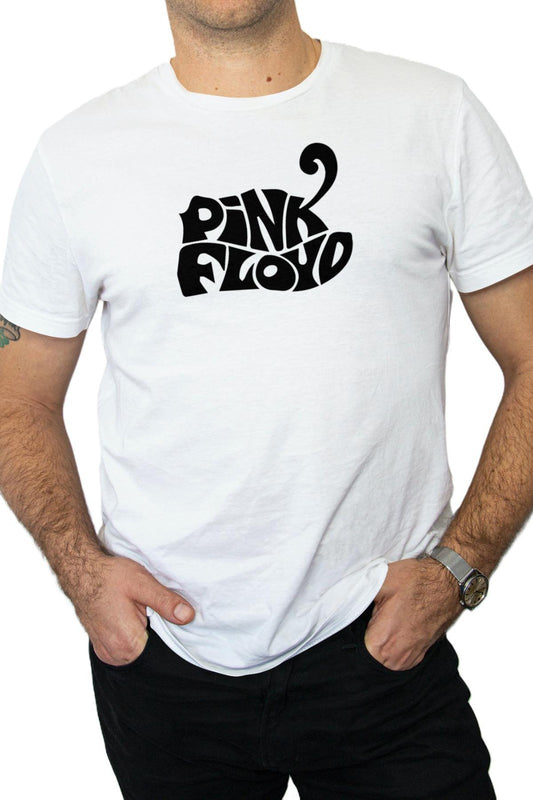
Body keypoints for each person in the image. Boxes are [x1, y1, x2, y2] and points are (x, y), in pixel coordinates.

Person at [1, 0, 532, 797]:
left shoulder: (432, 113)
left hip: (385, 641)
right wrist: (83, 576)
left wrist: (459, 568)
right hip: (164, 652)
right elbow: (18, 400)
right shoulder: (75, 154)